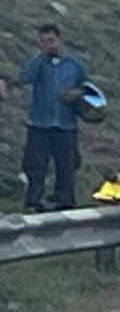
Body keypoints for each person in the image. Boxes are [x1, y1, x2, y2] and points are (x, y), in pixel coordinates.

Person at [2, 23, 92, 212]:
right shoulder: (38, 63)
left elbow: (89, 90)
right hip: (40, 125)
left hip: (66, 126)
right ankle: (34, 202)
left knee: (66, 167)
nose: (48, 45)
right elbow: (24, 78)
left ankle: (65, 202)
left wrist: (76, 93)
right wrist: (40, 58)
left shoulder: (74, 65)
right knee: (36, 167)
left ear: (60, 40)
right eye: (43, 42)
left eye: (51, 40)